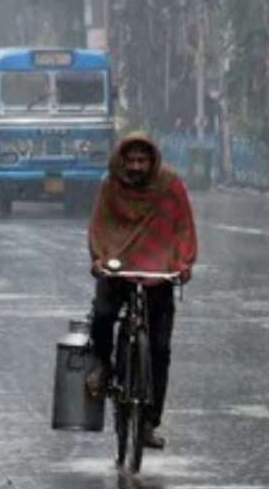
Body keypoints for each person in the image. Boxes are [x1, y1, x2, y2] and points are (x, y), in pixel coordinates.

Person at [85, 132, 198, 451]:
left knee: (160, 349)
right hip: (119, 269)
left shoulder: (170, 186)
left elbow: (183, 227)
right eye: (131, 161)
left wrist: (183, 261)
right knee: (105, 313)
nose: (136, 167)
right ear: (122, 162)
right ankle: (102, 364)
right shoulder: (110, 187)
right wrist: (100, 259)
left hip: (159, 272)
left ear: (152, 162)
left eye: (142, 160)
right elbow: (99, 227)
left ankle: (148, 422)